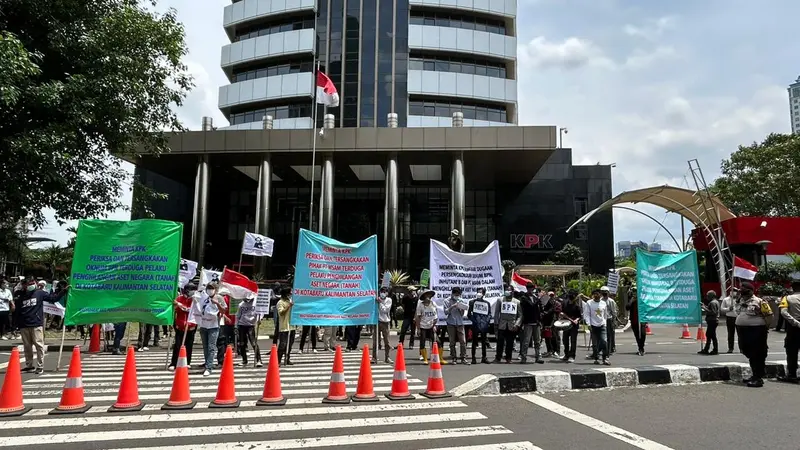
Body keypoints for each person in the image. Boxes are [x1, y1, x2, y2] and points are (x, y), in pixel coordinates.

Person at [735, 282, 772, 388]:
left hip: (756, 330)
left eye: (744, 291)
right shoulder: (740, 300)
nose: (742, 293)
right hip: (743, 330)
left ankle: (758, 377)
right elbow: (737, 312)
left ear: (751, 291)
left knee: (757, 353)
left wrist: (765, 327)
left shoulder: (760, 301)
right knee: (748, 352)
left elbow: (769, 315)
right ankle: (754, 375)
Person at [16, 280, 50, 373]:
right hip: (24, 325)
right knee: (27, 347)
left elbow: (53, 298)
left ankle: (40, 366)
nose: (30, 286)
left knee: (39, 345)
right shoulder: (21, 295)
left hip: (36, 324)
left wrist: (63, 291)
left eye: (31, 283)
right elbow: (18, 311)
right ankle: (29, 365)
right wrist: (17, 324)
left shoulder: (39, 293)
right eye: (27, 284)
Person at [198, 282, 226, 377]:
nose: (209, 290)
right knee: (205, 347)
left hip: (213, 326)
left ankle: (209, 367)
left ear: (215, 289)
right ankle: (207, 363)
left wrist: (217, 303)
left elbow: (223, 310)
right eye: (208, 288)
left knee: (211, 347)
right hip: (203, 325)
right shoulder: (204, 297)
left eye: (211, 288)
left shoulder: (219, 298)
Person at [169, 283, 197, 370]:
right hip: (180, 326)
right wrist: (177, 306)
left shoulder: (195, 300)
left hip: (191, 326)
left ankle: (187, 362)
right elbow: (174, 310)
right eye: (192, 290)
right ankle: (174, 362)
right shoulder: (179, 298)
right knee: (178, 345)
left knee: (189, 345)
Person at [777, 280, 800, 383]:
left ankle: (791, 374)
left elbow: (783, 312)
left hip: (794, 328)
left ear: (792, 288)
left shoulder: (787, 298)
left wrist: (794, 322)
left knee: (791, 351)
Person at [494, 284, 521, 364]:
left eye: (509, 290)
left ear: (512, 291)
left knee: (510, 343)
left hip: (512, 325)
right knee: (500, 342)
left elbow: (520, 315)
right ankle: (498, 357)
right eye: (506, 290)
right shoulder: (500, 300)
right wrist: (496, 323)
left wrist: (517, 324)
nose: (507, 291)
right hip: (502, 324)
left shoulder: (517, 302)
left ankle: (508, 358)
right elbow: (496, 313)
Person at [519, 282, 543, 364]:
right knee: (526, 341)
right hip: (528, 322)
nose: (531, 290)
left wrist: (539, 321)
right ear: (527, 289)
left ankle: (538, 356)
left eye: (532, 288)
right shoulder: (523, 298)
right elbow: (531, 306)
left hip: (536, 322)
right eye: (530, 288)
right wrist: (538, 299)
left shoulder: (535, 298)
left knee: (537, 341)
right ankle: (523, 357)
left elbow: (539, 310)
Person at [584, 289, 610, 365]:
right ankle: (596, 358)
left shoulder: (603, 303)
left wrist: (604, 323)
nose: (596, 295)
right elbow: (587, 314)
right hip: (593, 326)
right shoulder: (589, 303)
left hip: (602, 325)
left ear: (600, 295)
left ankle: (605, 358)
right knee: (595, 344)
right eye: (595, 294)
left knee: (604, 341)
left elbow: (605, 315)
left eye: (598, 294)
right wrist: (588, 324)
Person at [236, 294, 262, 367]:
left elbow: (259, 313)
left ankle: (258, 360)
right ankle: (244, 360)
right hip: (242, 325)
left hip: (251, 326)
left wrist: (259, 320)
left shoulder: (255, 304)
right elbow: (238, 316)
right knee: (242, 343)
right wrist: (236, 326)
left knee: (253, 343)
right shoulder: (241, 305)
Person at [444, 287, 468, 364]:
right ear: (452, 294)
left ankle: (463, 357)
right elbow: (446, 312)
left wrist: (461, 308)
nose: (457, 296)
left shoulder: (462, 300)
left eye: (459, 294)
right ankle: (454, 357)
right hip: (451, 323)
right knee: (452, 341)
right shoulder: (447, 300)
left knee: (463, 341)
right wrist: (452, 306)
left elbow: (462, 314)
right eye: (456, 294)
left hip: (460, 323)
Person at [467, 287, 491, 364]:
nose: (479, 293)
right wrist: (475, 321)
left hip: (484, 325)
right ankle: (473, 358)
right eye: (478, 292)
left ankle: (484, 357)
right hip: (475, 325)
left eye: (481, 292)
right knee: (474, 342)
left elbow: (489, 314)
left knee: (484, 342)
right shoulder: (472, 302)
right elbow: (469, 314)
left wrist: (486, 322)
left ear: (484, 294)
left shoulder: (487, 303)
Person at [415, 289, 438, 364]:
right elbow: (418, 317)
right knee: (423, 341)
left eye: (429, 295)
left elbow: (436, 316)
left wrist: (435, 325)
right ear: (424, 296)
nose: (428, 297)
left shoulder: (433, 303)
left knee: (435, 341)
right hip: (423, 326)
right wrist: (418, 328)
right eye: (426, 295)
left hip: (431, 325)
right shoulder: (420, 305)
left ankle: (434, 356)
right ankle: (423, 357)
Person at [560, 290, 582, 363]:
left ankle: (572, 356)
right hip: (566, 324)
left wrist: (576, 320)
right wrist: (562, 314)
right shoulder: (565, 303)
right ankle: (566, 354)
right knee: (565, 340)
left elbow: (580, 316)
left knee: (573, 341)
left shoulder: (577, 306)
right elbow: (562, 312)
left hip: (574, 325)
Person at [216, 288, 236, 367]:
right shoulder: (224, 298)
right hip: (225, 321)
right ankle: (225, 354)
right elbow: (222, 309)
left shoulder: (236, 299)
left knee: (234, 337)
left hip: (234, 320)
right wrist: (225, 317)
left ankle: (234, 351)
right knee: (225, 339)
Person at [276, 285, 295, 365]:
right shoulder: (280, 303)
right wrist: (288, 306)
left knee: (290, 345)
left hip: (291, 327)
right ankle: (278, 360)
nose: (291, 294)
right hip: (284, 327)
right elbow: (281, 313)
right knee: (282, 345)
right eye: (289, 293)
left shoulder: (290, 300)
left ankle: (287, 359)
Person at [699, 290, 720, 355]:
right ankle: (706, 349)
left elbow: (713, 312)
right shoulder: (715, 302)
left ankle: (715, 349)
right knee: (709, 335)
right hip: (712, 321)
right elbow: (711, 309)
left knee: (712, 336)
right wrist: (704, 306)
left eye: (708, 295)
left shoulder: (713, 303)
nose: (707, 297)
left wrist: (704, 308)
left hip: (712, 321)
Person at [626, 286, 646, 356]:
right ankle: (640, 348)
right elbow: (627, 307)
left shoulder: (643, 299)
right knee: (637, 335)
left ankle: (641, 347)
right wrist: (632, 300)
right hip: (634, 320)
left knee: (643, 334)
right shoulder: (632, 300)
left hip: (642, 320)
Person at [542, 290, 561, 358]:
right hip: (546, 322)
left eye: (552, 296)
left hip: (554, 323)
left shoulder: (557, 303)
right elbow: (543, 311)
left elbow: (557, 311)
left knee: (555, 337)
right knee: (547, 337)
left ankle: (556, 351)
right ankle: (549, 351)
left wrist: (551, 310)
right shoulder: (545, 304)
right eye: (549, 296)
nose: (551, 297)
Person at [720, 287, 740, 354]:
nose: (733, 292)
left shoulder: (739, 299)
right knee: (730, 334)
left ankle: (741, 348)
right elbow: (722, 309)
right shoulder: (726, 299)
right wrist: (728, 309)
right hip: (729, 317)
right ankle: (730, 348)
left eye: (735, 291)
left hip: (738, 317)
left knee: (740, 334)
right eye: (732, 291)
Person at [376, 286, 393, 364]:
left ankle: (387, 357)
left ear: (387, 293)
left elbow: (385, 310)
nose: (382, 293)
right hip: (376, 321)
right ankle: (374, 357)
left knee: (387, 341)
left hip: (385, 322)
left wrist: (380, 302)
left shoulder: (389, 300)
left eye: (384, 292)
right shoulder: (376, 299)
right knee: (375, 340)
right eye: (381, 291)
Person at [600, 286, 617, 354]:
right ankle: (603, 348)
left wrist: (614, 321)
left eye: (606, 292)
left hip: (609, 319)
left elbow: (614, 312)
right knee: (603, 335)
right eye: (603, 292)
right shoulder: (600, 300)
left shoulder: (611, 301)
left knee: (609, 335)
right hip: (601, 319)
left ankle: (609, 349)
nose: (604, 294)